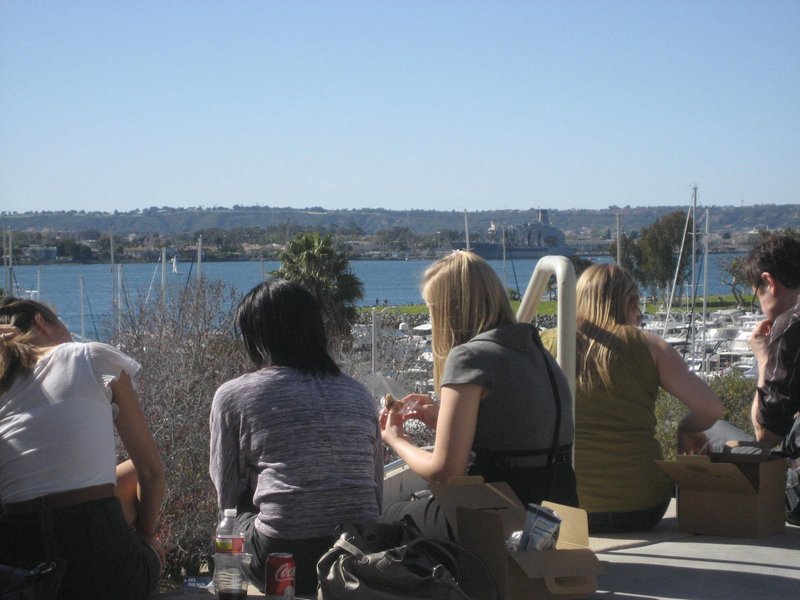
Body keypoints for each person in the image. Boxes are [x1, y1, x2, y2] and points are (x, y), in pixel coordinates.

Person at [380, 250, 578, 531]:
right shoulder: (537, 352)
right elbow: (514, 436)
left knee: (386, 518)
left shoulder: (469, 357)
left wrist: (397, 439)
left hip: (499, 518)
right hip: (556, 517)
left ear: (448, 312)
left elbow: (445, 472)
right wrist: (442, 417)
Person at [209, 278, 383, 595]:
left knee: (241, 500)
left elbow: (227, 493)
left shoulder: (234, 395)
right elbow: (376, 485)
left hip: (282, 558)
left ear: (256, 337)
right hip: (360, 556)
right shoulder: (359, 394)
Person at [0, 297, 165, 600]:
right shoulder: (90, 356)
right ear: (41, 322)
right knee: (134, 481)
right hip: (104, 573)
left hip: (22, 573)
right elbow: (152, 472)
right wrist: (146, 537)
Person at [542, 264, 723, 534]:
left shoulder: (546, 343)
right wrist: (685, 429)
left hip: (568, 509)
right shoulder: (651, 346)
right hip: (643, 507)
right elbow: (712, 409)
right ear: (629, 302)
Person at [744, 235, 800, 524]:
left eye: (757, 294)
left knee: (713, 431)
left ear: (769, 282)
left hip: (797, 498)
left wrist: (763, 357)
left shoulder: (791, 325)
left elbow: (765, 435)